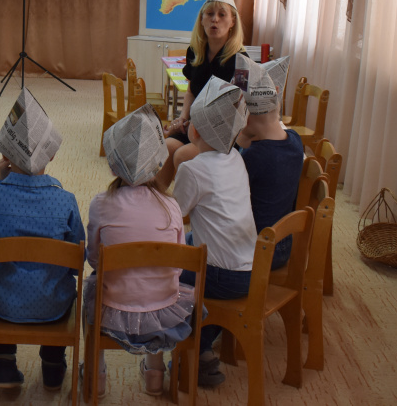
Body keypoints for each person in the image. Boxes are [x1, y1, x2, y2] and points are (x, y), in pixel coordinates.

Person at [85, 105, 193, 397]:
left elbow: (94, 259)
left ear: (112, 164)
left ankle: (97, 376)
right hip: (163, 309)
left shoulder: (100, 203)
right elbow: (179, 262)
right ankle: (155, 375)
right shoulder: (171, 205)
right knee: (167, 289)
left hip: (114, 309)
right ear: (158, 162)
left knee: (91, 288)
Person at [0, 88, 85, 392]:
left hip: (5, 304)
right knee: (63, 282)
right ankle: (53, 365)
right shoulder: (65, 200)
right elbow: (78, 260)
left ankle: (3, 361)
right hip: (52, 303)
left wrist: (2, 177)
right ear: (51, 154)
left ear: (4, 155)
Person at [173, 77, 254, 386]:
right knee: (193, 244)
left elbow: (173, 217)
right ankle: (204, 348)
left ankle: (188, 354)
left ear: (192, 130)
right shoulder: (237, 159)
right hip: (248, 269)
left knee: (167, 267)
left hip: (219, 275)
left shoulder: (192, 169)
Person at [164, 0, 246, 168]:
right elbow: (191, 91)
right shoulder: (195, 51)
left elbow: (240, 110)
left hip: (221, 134)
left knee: (183, 156)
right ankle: (160, 198)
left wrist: (197, 126)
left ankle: (186, 198)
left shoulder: (241, 60)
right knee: (167, 147)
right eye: (209, 14)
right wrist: (182, 119)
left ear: (232, 21)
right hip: (194, 126)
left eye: (222, 14)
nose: (215, 19)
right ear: (202, 20)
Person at [234, 54, 301, 270]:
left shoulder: (255, 157)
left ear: (246, 117)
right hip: (283, 245)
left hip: (257, 250)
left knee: (195, 240)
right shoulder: (295, 141)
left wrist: (240, 138)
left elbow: (230, 199)